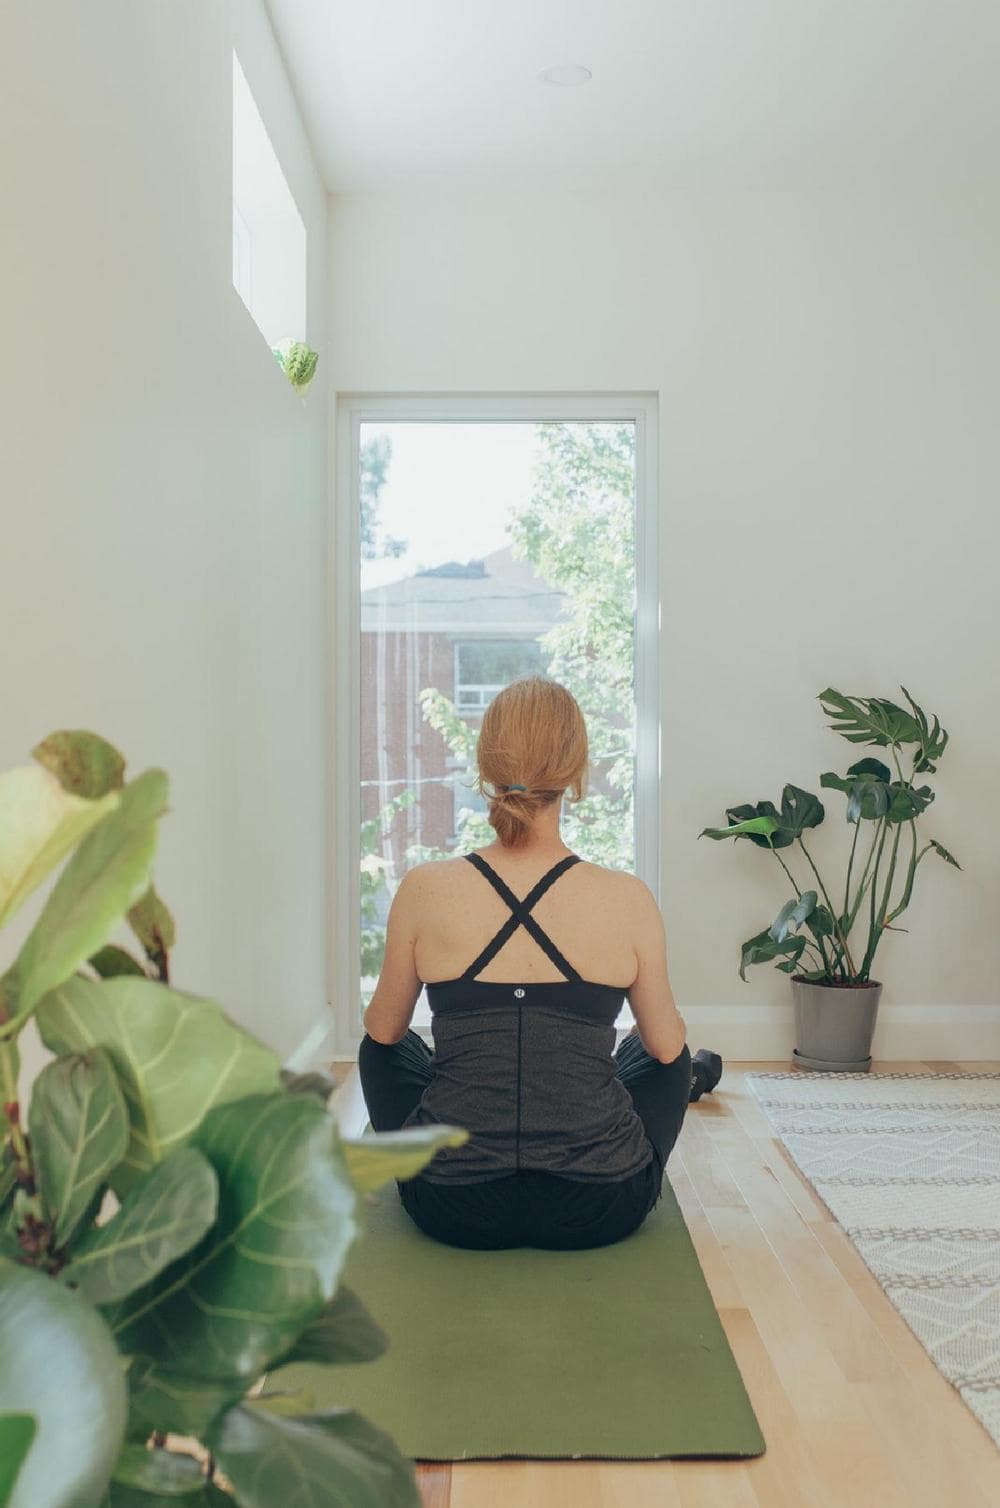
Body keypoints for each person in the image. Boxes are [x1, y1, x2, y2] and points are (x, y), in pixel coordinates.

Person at [358, 675, 722, 1251]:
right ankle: (701, 1077)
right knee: (662, 1054)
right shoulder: (625, 897)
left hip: (451, 1204)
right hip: (601, 1203)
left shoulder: (425, 890)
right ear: (575, 777)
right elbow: (663, 1048)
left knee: (386, 1046)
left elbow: (382, 1030)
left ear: (485, 771)